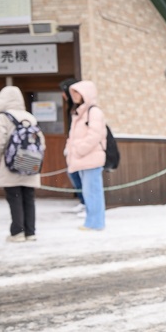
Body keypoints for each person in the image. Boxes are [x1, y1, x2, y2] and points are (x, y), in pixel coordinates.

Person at [0, 85, 44, 242]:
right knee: (29, 198)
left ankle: (17, 232)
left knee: (14, 197)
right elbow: (41, 142)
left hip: (10, 164)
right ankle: (30, 232)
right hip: (30, 162)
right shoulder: (29, 117)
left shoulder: (3, 117)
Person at [64, 80, 106, 231]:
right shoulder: (80, 112)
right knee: (88, 192)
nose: (74, 95)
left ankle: (96, 223)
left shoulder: (93, 112)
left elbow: (95, 135)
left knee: (93, 191)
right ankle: (91, 221)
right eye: (73, 92)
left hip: (90, 158)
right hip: (82, 158)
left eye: (77, 92)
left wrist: (79, 150)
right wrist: (70, 150)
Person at [60, 78, 85, 214]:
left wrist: (79, 148)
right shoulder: (72, 108)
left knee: (81, 177)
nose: (63, 95)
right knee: (73, 174)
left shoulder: (84, 109)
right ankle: (83, 201)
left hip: (82, 150)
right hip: (73, 149)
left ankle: (86, 203)